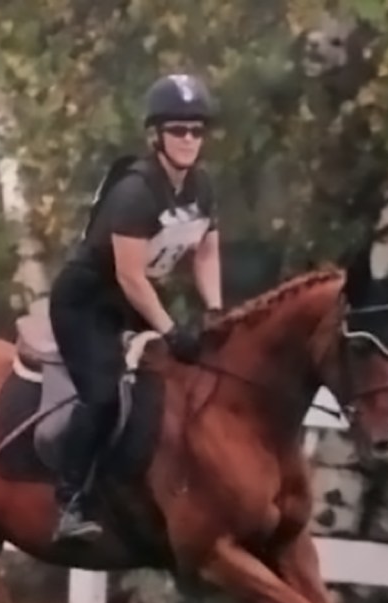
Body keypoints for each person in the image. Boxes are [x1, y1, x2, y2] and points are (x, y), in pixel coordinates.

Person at [47, 73, 225, 543]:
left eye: (197, 130)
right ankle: (70, 501)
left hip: (136, 299)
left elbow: (206, 253)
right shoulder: (135, 192)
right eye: (177, 129)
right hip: (88, 302)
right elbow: (129, 276)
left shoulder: (202, 187)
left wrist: (215, 310)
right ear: (155, 136)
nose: (189, 139)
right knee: (103, 394)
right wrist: (170, 329)